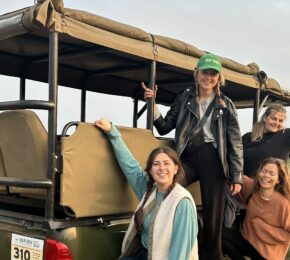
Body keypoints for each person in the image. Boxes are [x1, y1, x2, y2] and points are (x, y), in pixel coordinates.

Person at [142, 53, 243, 260]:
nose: (209, 77)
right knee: (168, 188)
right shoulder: (184, 97)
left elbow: (235, 141)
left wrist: (237, 175)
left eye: (213, 74)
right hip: (187, 155)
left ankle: (212, 256)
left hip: (214, 158)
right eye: (205, 72)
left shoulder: (226, 104)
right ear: (196, 74)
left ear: (219, 78)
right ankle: (160, 239)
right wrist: (152, 104)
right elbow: (164, 126)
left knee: (213, 214)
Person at [95, 118, 199, 260]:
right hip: (145, 254)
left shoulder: (181, 201)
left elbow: (180, 251)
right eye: (156, 164)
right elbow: (130, 166)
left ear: (176, 169)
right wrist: (113, 133)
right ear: (150, 170)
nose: (162, 168)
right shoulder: (149, 190)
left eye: (167, 163)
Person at [222, 157, 290, 260]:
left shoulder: (284, 204)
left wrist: (261, 227)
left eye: (271, 174)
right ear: (259, 173)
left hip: (268, 254)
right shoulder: (252, 189)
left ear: (278, 180)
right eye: (264, 171)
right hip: (249, 242)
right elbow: (234, 175)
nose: (266, 176)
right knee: (216, 233)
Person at [243, 103, 290, 178]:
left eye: (281, 121)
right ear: (265, 118)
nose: (276, 123)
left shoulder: (286, 135)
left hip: (274, 186)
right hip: (248, 184)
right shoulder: (248, 137)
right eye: (274, 119)